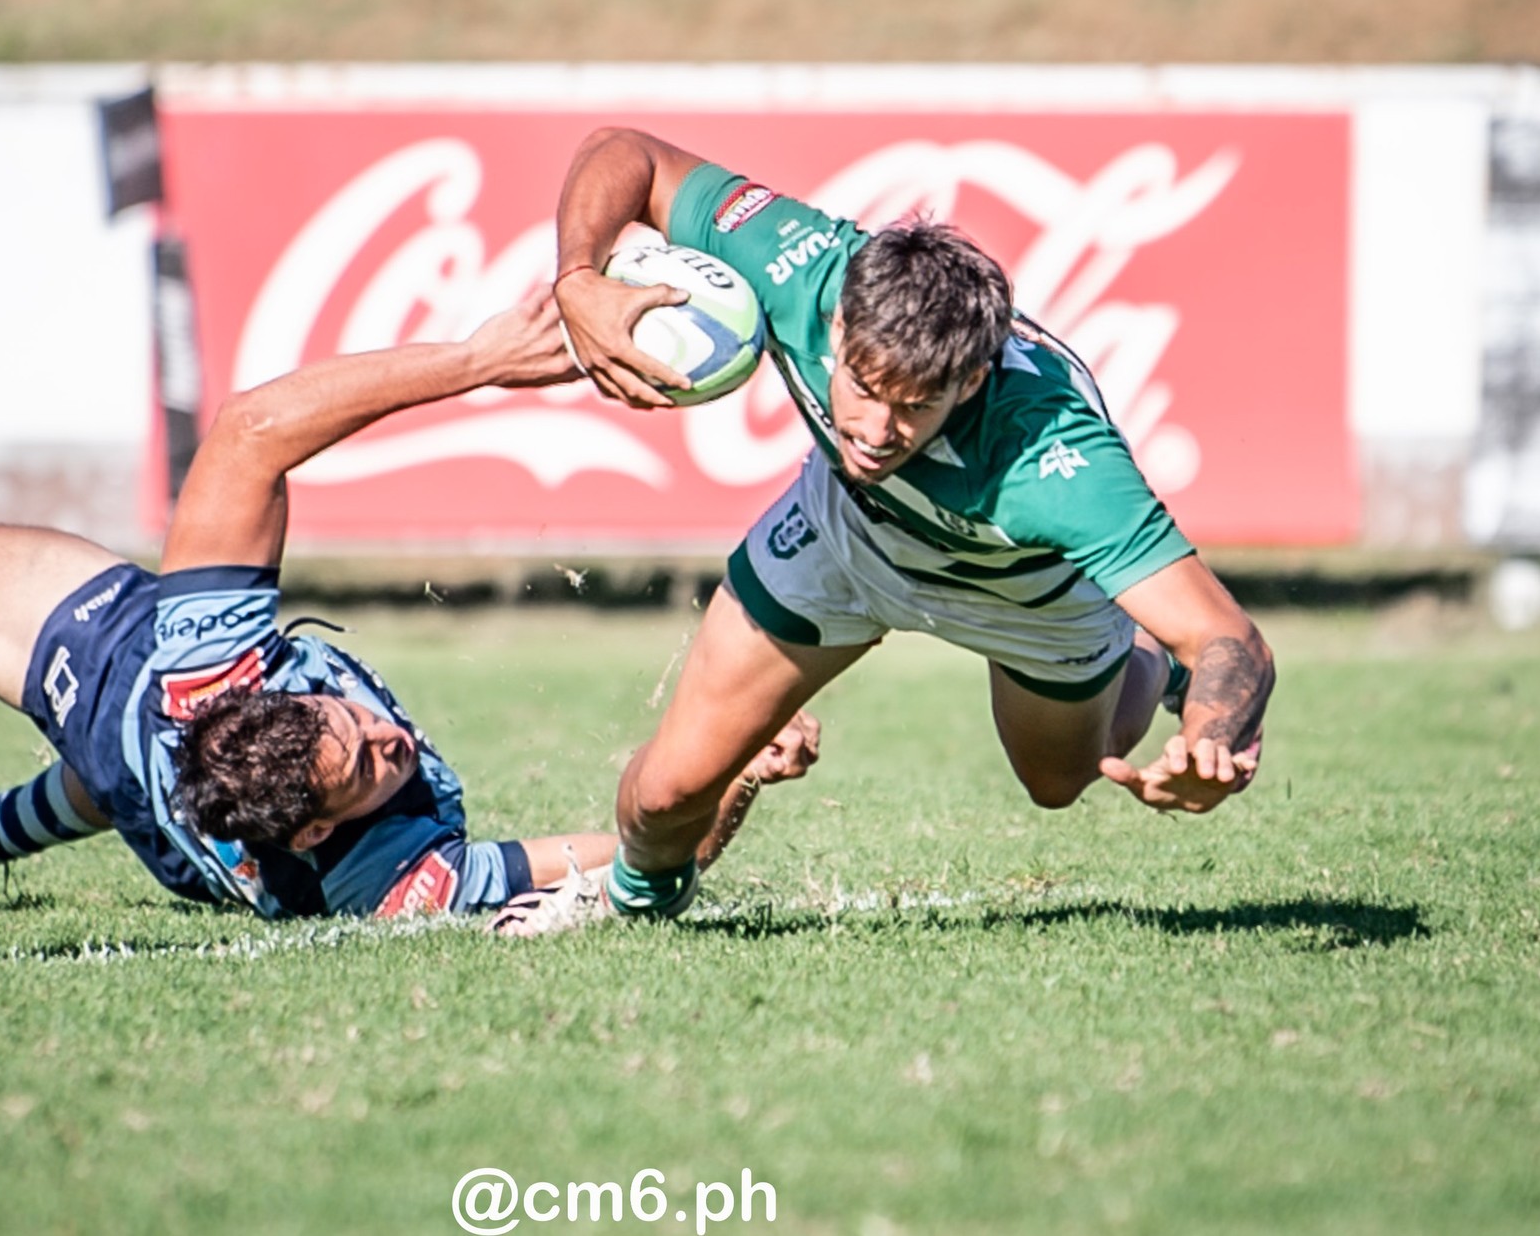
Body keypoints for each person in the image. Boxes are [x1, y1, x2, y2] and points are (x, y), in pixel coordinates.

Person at [0, 291, 817, 923]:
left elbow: (246, 430)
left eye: (366, 741)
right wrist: (733, 778)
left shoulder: (236, 698)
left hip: (125, 685)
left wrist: (475, 360)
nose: (394, 739)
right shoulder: (373, 855)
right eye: (369, 757)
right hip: (154, 781)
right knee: (97, 763)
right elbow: (641, 862)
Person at [500, 128, 1273, 931]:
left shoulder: (1057, 458)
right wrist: (577, 278)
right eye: (863, 388)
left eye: (915, 407)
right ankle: (628, 902)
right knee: (666, 796)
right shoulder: (800, 266)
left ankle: (1138, 651)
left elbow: (1233, 639)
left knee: (1061, 781)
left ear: (971, 379)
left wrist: (1211, 737)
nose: (875, 429)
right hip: (844, 533)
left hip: (1026, 593)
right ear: (836, 330)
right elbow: (628, 153)